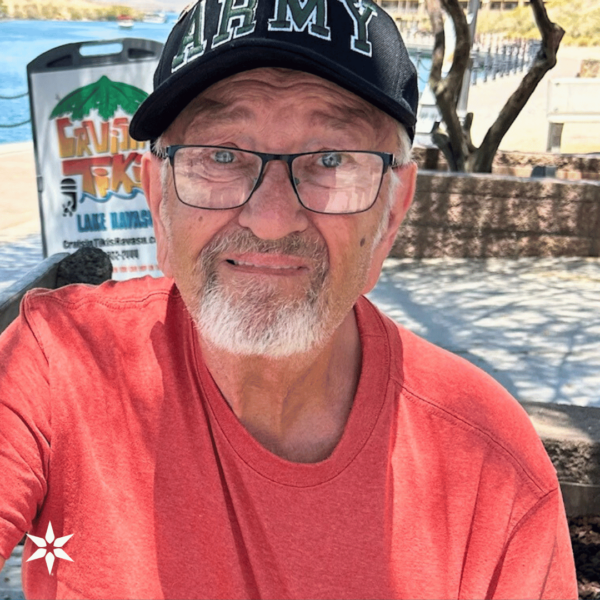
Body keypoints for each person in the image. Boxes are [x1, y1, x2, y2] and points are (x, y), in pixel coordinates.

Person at [0, 0, 577, 598]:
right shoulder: (58, 362)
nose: (271, 219)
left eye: (331, 160)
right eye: (222, 155)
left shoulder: (488, 464)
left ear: (392, 212)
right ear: (157, 198)